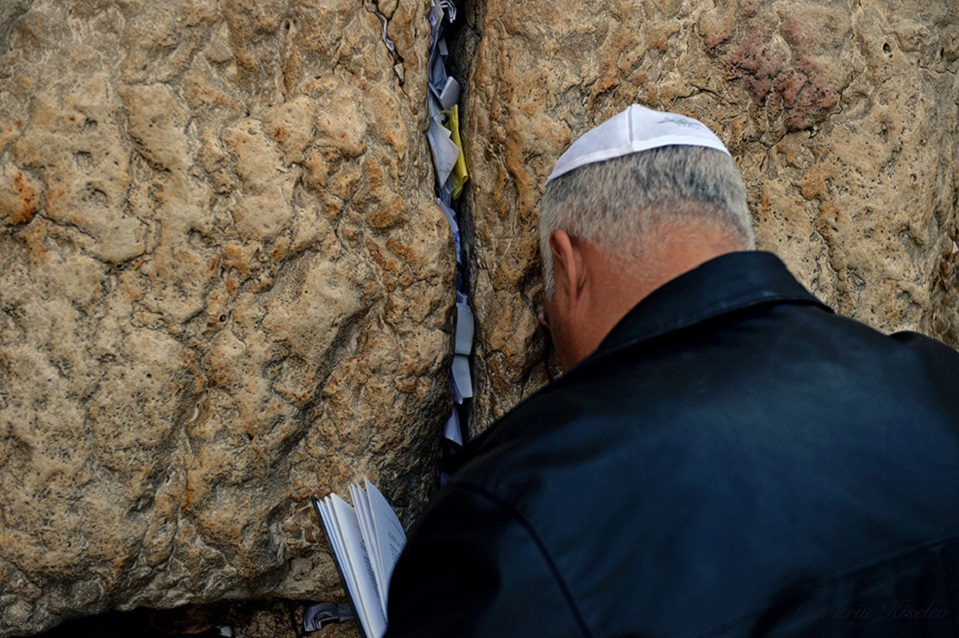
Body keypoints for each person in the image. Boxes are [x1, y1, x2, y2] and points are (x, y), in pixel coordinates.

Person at [383, 105, 959, 637]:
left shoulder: (509, 514)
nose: (547, 319)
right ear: (732, 234)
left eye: (546, 300)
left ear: (567, 261)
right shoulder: (941, 388)